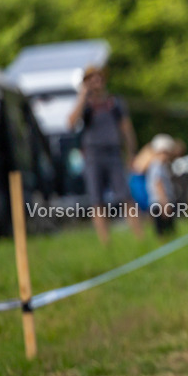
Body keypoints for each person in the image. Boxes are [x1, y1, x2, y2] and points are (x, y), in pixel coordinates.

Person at [66, 65, 144, 244]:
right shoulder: (84, 104)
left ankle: (139, 237)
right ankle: (105, 242)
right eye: (91, 79)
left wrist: (131, 152)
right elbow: (70, 123)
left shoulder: (115, 102)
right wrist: (82, 97)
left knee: (126, 196)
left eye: (99, 78)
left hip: (114, 153)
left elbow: (126, 128)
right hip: (93, 155)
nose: (96, 82)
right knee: (97, 200)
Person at [145, 134, 178, 236]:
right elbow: (158, 184)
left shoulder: (157, 165)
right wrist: (165, 203)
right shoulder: (157, 166)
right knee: (165, 231)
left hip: (159, 203)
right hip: (160, 203)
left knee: (166, 231)